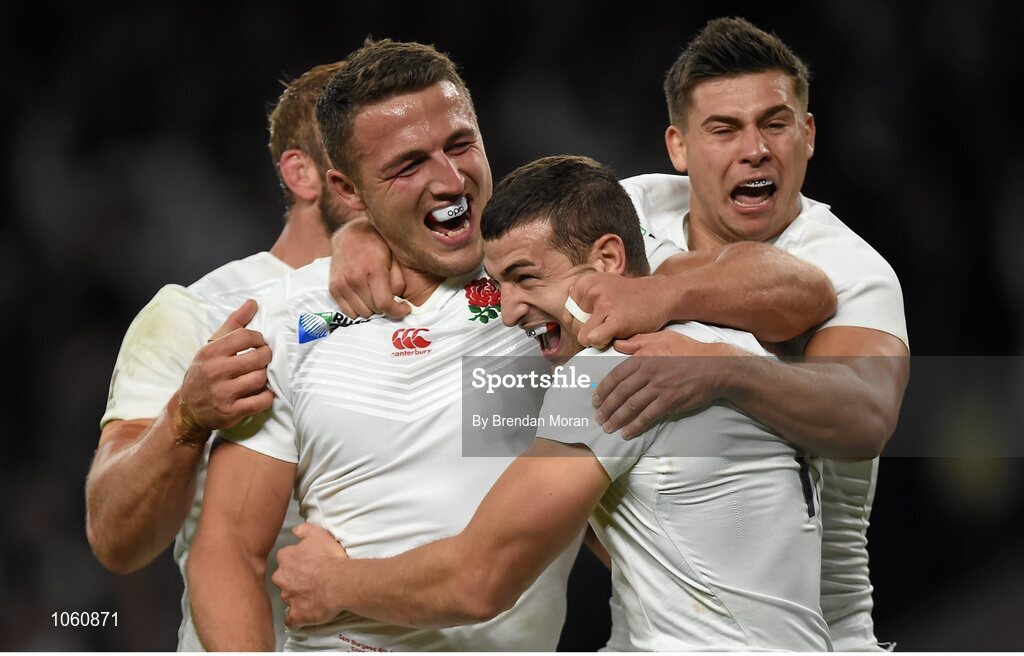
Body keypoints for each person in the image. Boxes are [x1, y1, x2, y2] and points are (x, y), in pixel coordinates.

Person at [272, 155, 833, 651]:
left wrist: (328, 584)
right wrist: (359, 233)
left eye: (525, 278)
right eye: (499, 286)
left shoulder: (612, 369)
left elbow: (478, 580)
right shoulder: (715, 328)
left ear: (609, 259)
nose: (509, 310)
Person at [185, 39, 584, 652]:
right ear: (346, 190)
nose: (450, 180)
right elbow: (228, 553)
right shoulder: (294, 324)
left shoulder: (552, 292)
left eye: (461, 145)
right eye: (408, 165)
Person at [573, 18, 910, 650]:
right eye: (724, 129)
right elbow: (499, 290)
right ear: (678, 146)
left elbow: (865, 416)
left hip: (816, 637)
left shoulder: (855, 269)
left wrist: (722, 369)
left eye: (774, 124)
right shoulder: (626, 215)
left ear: (807, 136)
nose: (754, 148)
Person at [86, 60, 355, 650]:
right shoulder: (197, 313)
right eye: (365, 155)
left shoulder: (447, 306)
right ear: (301, 173)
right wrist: (184, 419)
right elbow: (114, 538)